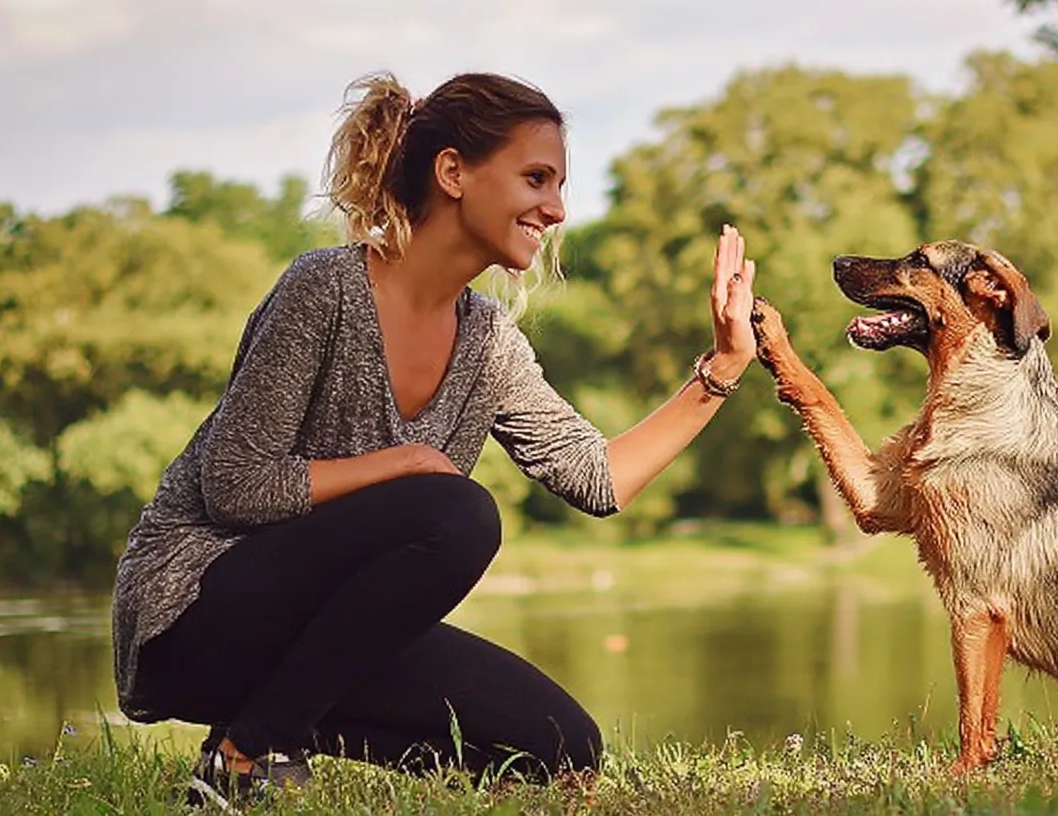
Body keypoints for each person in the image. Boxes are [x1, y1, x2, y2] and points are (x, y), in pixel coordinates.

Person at [109, 69, 758, 809]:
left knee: (560, 747)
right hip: (192, 610)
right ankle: (249, 754)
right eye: (536, 178)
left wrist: (723, 369)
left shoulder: (489, 343)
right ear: (453, 172)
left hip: (309, 643)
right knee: (457, 512)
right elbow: (235, 483)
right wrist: (404, 463)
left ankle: (260, 727)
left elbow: (597, 478)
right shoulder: (326, 290)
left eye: (560, 185)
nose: (556, 208)